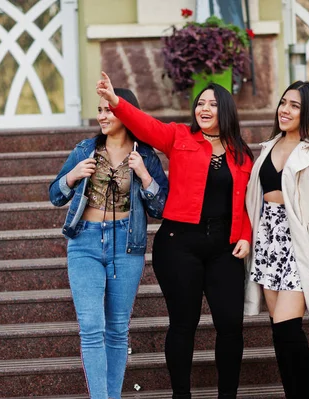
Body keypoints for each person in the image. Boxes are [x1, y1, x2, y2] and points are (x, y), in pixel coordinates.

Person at [96, 72, 254, 399]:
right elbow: (144, 125)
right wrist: (115, 101)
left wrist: (246, 235)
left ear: (226, 110)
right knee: (184, 324)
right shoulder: (179, 136)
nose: (204, 108)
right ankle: (180, 395)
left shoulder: (242, 153)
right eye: (200, 103)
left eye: (212, 103)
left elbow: (251, 201)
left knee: (230, 326)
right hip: (179, 245)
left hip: (225, 247)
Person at [48, 88, 168, 399]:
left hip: (126, 245)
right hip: (85, 242)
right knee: (91, 326)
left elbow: (161, 209)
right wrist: (73, 175)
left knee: (116, 330)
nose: (101, 116)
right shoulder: (85, 150)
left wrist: (145, 177)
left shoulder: (146, 158)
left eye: (108, 110)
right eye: (99, 109)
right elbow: (55, 195)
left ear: (127, 113)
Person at [244, 81, 309, 398]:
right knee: (280, 331)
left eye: (294, 105)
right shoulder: (268, 147)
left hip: (298, 244)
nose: (285, 110)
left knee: (288, 330)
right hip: (266, 242)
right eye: (283, 102)